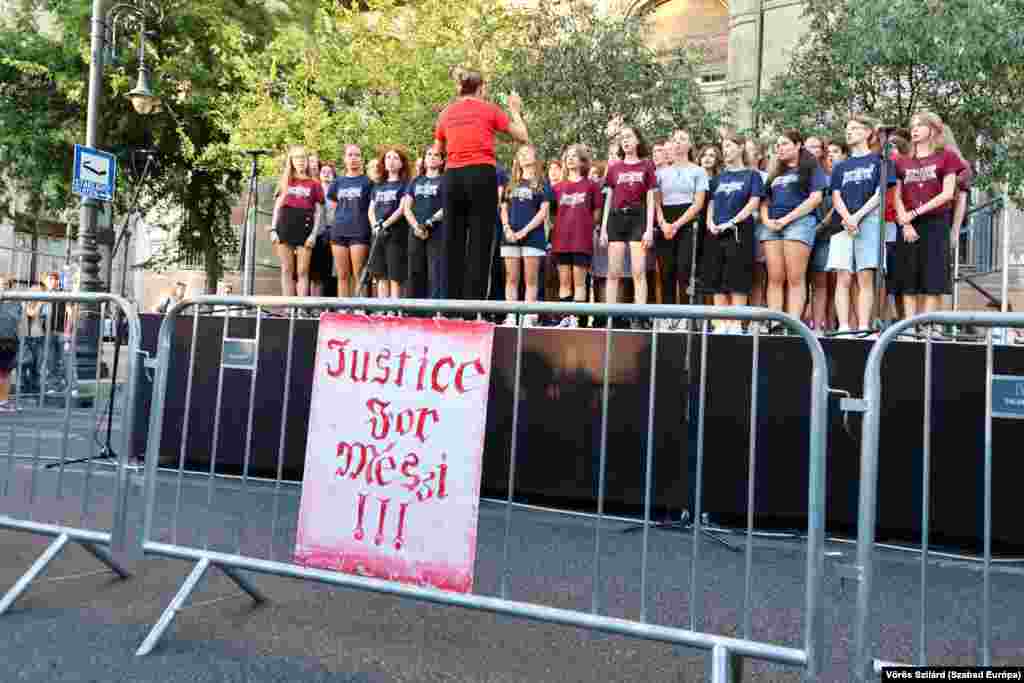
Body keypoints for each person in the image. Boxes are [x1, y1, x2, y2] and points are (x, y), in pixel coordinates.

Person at [433, 68, 529, 305]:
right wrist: (515, 111)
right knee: (480, 241)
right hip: (481, 174)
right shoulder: (489, 109)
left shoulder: (446, 113)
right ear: (481, 88)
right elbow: (523, 136)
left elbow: (437, 150)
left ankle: (449, 305)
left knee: (451, 240)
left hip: (453, 176)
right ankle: (473, 306)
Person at [893, 111, 966, 325]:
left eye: (919, 125)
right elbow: (897, 195)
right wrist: (905, 222)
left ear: (933, 129)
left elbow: (946, 194)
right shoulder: (902, 162)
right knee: (908, 279)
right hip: (907, 225)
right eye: (912, 125)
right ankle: (907, 328)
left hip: (935, 224)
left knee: (933, 278)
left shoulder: (947, 157)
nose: (914, 129)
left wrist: (914, 214)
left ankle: (927, 328)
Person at [826, 117, 896, 337]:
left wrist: (857, 217)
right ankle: (844, 326)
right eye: (847, 128)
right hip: (843, 225)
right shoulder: (841, 166)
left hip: (870, 221)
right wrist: (847, 218)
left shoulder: (880, 161)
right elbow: (836, 195)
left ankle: (864, 325)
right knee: (843, 276)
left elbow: (880, 194)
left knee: (866, 275)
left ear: (868, 133)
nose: (849, 132)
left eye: (855, 128)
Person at [760, 130, 827, 326]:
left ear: (798, 145)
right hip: (772, 225)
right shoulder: (775, 172)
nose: (779, 148)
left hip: (799, 223)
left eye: (784, 144)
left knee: (795, 277)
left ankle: (793, 323)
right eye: (777, 145)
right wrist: (766, 220)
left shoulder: (811, 168)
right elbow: (764, 201)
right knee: (774, 277)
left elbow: (816, 198)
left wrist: (788, 218)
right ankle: (775, 322)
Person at [702, 133, 764, 333]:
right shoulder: (718, 178)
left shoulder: (752, 175)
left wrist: (733, 221)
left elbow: (754, 202)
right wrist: (710, 222)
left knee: (737, 277)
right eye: (724, 146)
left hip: (739, 231)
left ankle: (736, 323)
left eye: (729, 145)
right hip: (716, 232)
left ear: (740, 148)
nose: (725, 150)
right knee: (716, 278)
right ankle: (721, 322)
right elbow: (711, 203)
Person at [601, 124, 657, 328]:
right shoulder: (614, 167)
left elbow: (651, 198)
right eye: (622, 138)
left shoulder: (647, 165)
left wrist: (649, 228)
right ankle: (610, 316)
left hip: (638, 218)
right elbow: (608, 198)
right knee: (613, 271)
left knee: (638, 271)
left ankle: (640, 316)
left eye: (629, 137)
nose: (625, 141)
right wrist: (604, 227)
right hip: (616, 218)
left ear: (637, 141)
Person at [655, 129, 709, 329]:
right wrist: (663, 223)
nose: (678, 143)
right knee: (666, 270)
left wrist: (677, 224)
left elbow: (698, 203)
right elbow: (656, 201)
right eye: (675, 140)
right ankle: (668, 316)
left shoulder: (698, 171)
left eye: (682, 140)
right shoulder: (660, 173)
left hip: (686, 222)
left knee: (684, 270)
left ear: (689, 145)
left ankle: (685, 316)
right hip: (665, 222)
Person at [551, 144, 602, 328]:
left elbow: (596, 213)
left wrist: (586, 227)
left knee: (580, 282)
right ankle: (566, 316)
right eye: (568, 156)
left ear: (582, 161)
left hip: (581, 240)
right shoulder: (557, 187)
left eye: (574, 156)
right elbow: (551, 213)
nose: (570, 159)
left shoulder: (591, 186)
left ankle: (577, 319)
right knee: (564, 281)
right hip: (561, 240)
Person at [499, 145, 551, 327]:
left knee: (531, 279)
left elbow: (543, 212)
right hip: (510, 235)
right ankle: (511, 315)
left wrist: (525, 231)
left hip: (532, 236)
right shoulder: (511, 183)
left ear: (535, 158)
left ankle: (529, 315)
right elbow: (504, 207)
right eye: (520, 154)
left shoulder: (542, 183)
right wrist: (506, 228)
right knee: (511, 278)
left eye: (527, 153)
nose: (524, 156)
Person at [269, 145, 325, 298]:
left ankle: (300, 307)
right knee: (287, 269)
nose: (300, 161)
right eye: (297, 157)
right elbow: (277, 207)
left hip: (305, 229)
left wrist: (313, 234)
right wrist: (273, 230)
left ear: (307, 161)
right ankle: (288, 307)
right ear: (291, 161)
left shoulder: (315, 184)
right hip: (284, 227)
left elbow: (318, 212)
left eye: (303, 157)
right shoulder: (285, 182)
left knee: (302, 271)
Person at [326, 144, 373, 298]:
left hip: (360, 231)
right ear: (344, 159)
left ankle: (361, 309)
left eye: (357, 155)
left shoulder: (368, 182)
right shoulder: (337, 182)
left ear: (362, 159)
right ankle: (343, 309)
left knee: (359, 273)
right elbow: (332, 208)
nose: (353, 158)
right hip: (339, 232)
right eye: (350, 155)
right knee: (342, 274)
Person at [368, 147, 413, 302]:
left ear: (401, 163)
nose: (391, 161)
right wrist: (375, 225)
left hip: (396, 234)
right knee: (381, 275)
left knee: (395, 275)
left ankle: (394, 309)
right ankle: (382, 309)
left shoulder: (405, 184)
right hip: (378, 235)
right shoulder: (378, 185)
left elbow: (402, 209)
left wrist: (385, 224)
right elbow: (371, 210)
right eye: (388, 158)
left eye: (395, 158)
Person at [404, 143, 447, 300]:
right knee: (415, 270)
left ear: (442, 161)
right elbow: (406, 207)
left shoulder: (445, 181)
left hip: (436, 231)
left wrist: (429, 222)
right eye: (429, 154)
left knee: (434, 271)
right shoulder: (415, 181)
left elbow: (446, 207)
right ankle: (414, 311)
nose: (432, 157)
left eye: (436, 155)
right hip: (415, 231)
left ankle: (434, 310)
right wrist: (416, 226)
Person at [807, 138, 837, 334]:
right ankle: (810, 324)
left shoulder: (830, 175)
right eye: (807, 146)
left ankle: (826, 325)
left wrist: (823, 223)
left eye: (815, 146)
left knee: (826, 282)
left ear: (823, 151)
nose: (811, 150)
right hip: (803, 233)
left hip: (826, 234)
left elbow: (837, 203)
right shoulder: (800, 174)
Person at [310, 160, 337, 297]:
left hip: (334, 234)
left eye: (329, 172)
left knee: (332, 272)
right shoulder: (315, 188)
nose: (326, 174)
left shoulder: (337, 190)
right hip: (318, 234)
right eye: (323, 172)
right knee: (316, 272)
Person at [0, 276, 23, 410]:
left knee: (6, 372)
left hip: (9, 340)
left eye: (4, 284)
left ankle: (3, 401)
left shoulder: (15, 302)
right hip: (4, 339)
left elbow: (17, 319)